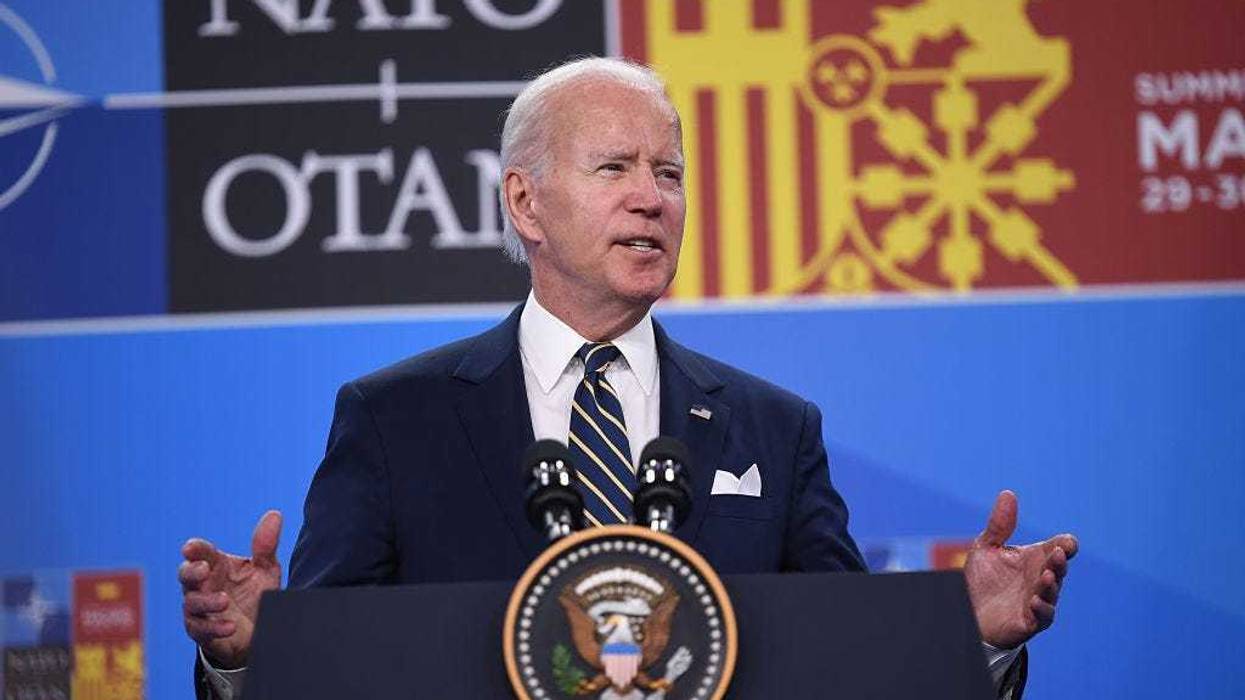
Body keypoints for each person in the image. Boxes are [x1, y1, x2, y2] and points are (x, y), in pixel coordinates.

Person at [178, 56, 1076, 700]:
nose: (652, 197)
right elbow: (335, 672)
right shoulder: (390, 419)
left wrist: (970, 640)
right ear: (525, 202)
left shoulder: (774, 427)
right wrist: (256, 657)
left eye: (670, 173)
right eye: (615, 168)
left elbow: (835, 659)